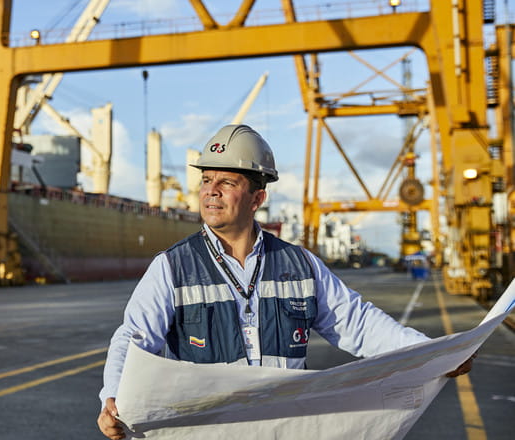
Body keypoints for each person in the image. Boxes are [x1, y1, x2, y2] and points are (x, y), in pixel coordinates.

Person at [96, 124, 475, 440]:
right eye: (206, 179)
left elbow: (358, 324)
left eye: (226, 182)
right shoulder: (172, 267)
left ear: (257, 197)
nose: (211, 190)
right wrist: (113, 397)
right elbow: (133, 339)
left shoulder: (300, 264)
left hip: (281, 429)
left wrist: (436, 353)